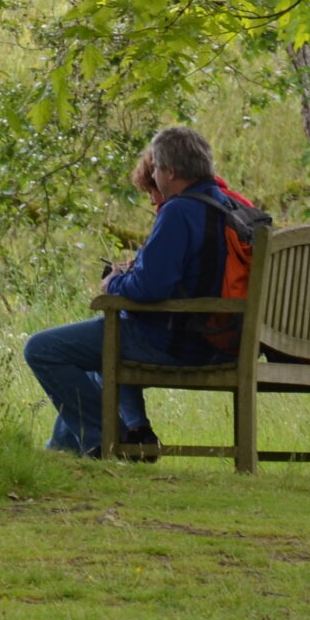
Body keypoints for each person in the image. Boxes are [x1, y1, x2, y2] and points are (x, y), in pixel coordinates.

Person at [24, 125, 248, 457]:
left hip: (181, 342)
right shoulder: (230, 206)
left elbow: (149, 287)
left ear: (170, 171)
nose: (153, 175)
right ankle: (61, 451)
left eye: (155, 168)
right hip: (229, 340)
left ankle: (113, 439)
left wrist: (113, 282)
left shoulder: (179, 211)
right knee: (90, 352)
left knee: (42, 348)